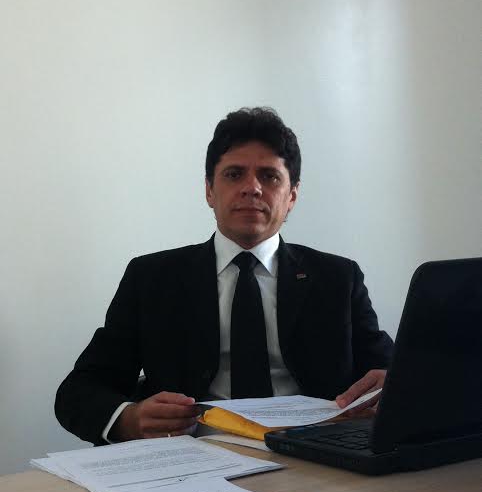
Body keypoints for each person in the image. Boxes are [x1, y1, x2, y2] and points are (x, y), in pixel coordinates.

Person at [55, 107, 393, 445]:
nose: (252, 188)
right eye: (234, 174)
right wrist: (128, 420)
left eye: (269, 176)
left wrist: (392, 385)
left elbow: (392, 373)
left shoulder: (337, 279)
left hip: (315, 452)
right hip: (191, 454)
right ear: (209, 191)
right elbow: (79, 390)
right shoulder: (151, 279)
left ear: (292, 195)